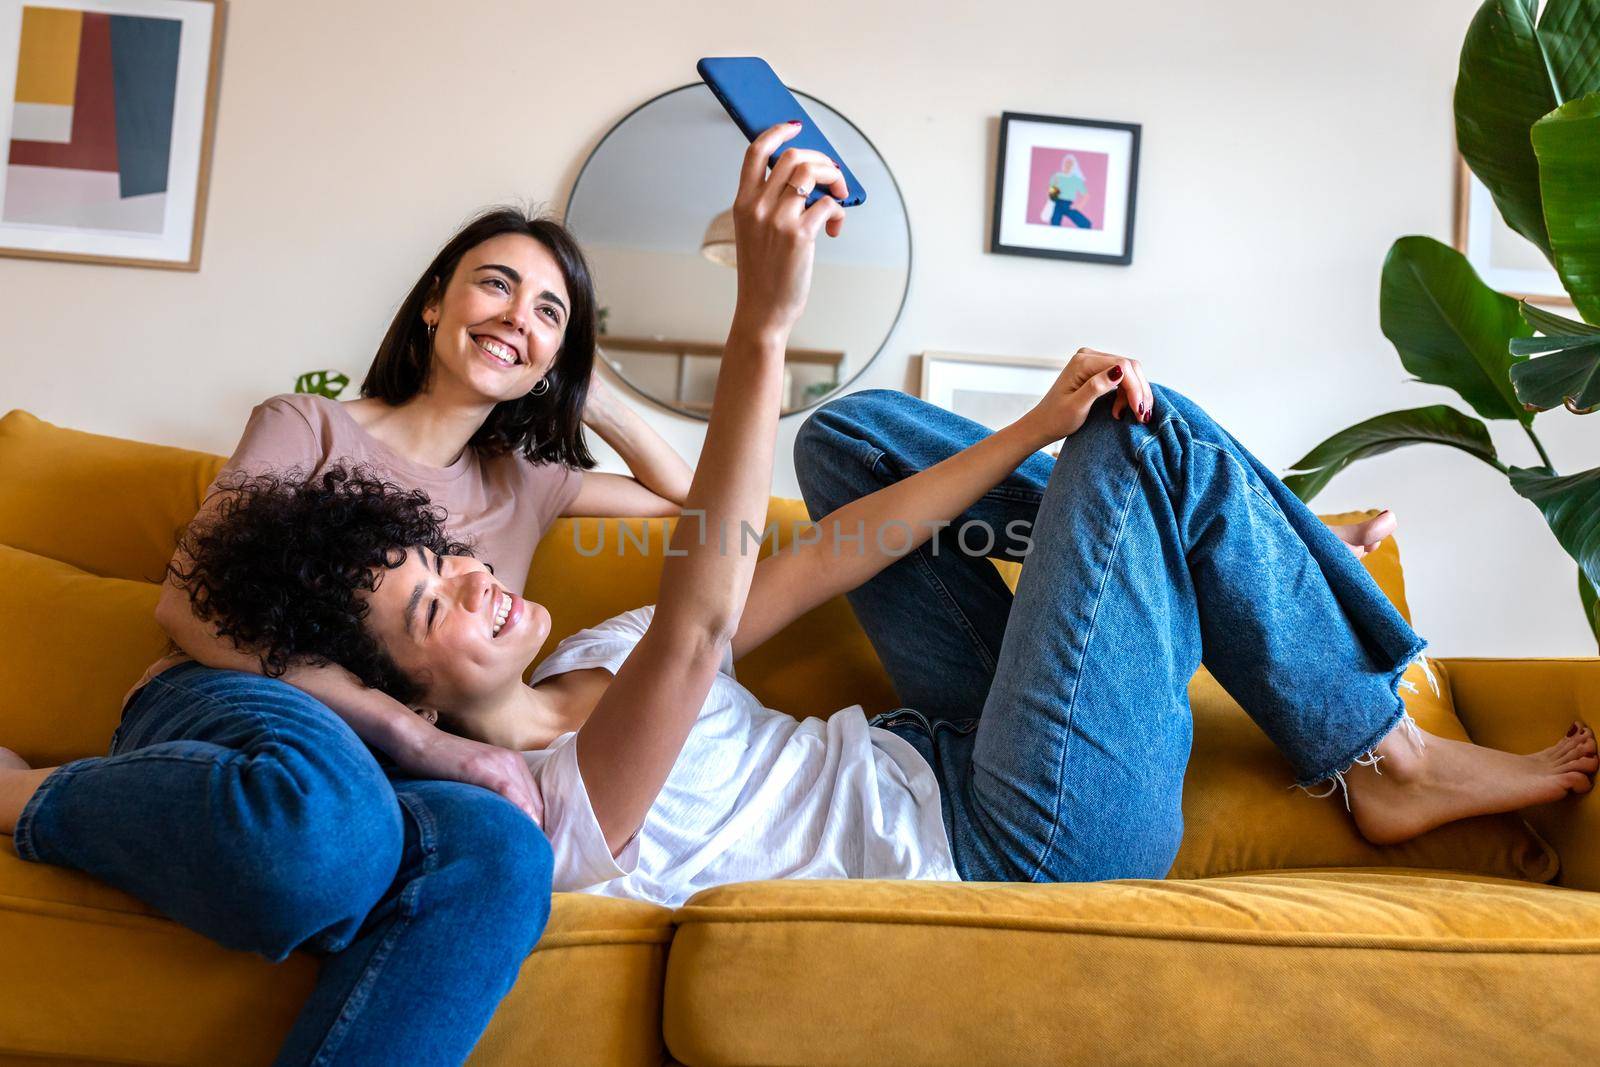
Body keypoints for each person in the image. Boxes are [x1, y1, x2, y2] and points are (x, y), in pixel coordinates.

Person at [12, 123, 1590, 913]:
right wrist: (766, 309)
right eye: (439, 594)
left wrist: (1034, 425)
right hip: (1014, 843)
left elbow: (809, 540)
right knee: (1147, 453)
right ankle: (1375, 749)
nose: (479, 576)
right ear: (410, 684)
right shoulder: (540, 804)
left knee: (863, 440)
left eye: (455, 557)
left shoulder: (586, 600)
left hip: (943, 739)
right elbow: (701, 614)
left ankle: (1164, 543)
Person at [0, 206, 693, 1063]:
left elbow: (689, 499)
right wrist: (411, 731)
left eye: (550, 311)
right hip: (249, 696)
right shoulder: (311, 425)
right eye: (498, 285)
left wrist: (579, 382)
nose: (520, 314)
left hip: (390, 773)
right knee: (321, 847)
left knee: (505, 857)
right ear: (435, 303)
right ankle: (29, 795)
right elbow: (188, 606)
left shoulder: (529, 481)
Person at [1047, 153, 1093, 229]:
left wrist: (1079, 206)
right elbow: (1052, 197)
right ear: (1063, 163)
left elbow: (1086, 195)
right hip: (1058, 204)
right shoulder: (1056, 176)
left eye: (1070, 163)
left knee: (1086, 225)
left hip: (1069, 205)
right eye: (1066, 163)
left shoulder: (1076, 179)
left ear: (1074, 166)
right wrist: (1054, 185)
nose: (1068, 165)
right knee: (1054, 225)